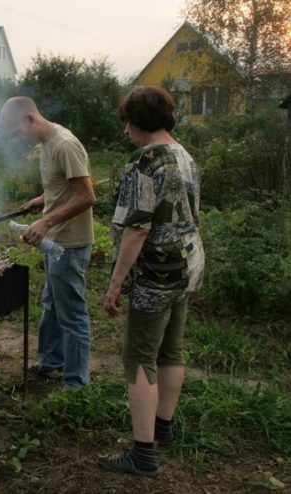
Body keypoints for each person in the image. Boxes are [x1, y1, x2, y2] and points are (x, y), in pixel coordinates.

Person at [99, 86, 205, 476]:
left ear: (137, 121)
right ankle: (163, 428)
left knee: (139, 356)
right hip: (187, 265)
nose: (126, 129)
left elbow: (138, 229)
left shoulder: (145, 161)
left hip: (157, 272)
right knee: (171, 350)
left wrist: (115, 283)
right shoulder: (184, 155)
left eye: (127, 120)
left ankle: (142, 454)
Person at [0, 96, 96, 389]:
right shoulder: (47, 143)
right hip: (54, 242)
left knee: (72, 314)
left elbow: (87, 196)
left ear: (30, 118)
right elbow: (65, 187)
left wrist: (47, 220)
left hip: (69, 243)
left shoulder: (64, 144)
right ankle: (51, 363)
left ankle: (76, 383)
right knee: (52, 305)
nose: (17, 139)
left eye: (16, 132)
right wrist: (41, 202)